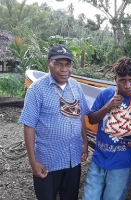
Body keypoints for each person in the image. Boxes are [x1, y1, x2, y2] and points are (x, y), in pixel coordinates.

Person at [19, 44, 90, 200]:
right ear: (48, 64)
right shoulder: (37, 89)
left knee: (70, 197)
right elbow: (29, 126)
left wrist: (85, 143)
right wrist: (33, 162)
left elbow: (81, 116)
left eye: (68, 64)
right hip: (48, 161)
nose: (64, 69)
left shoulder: (76, 86)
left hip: (73, 159)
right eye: (58, 64)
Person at [82, 57, 131, 200]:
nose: (128, 85)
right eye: (123, 80)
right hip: (99, 158)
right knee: (90, 197)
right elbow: (92, 119)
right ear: (115, 79)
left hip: (122, 161)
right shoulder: (105, 94)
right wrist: (108, 107)